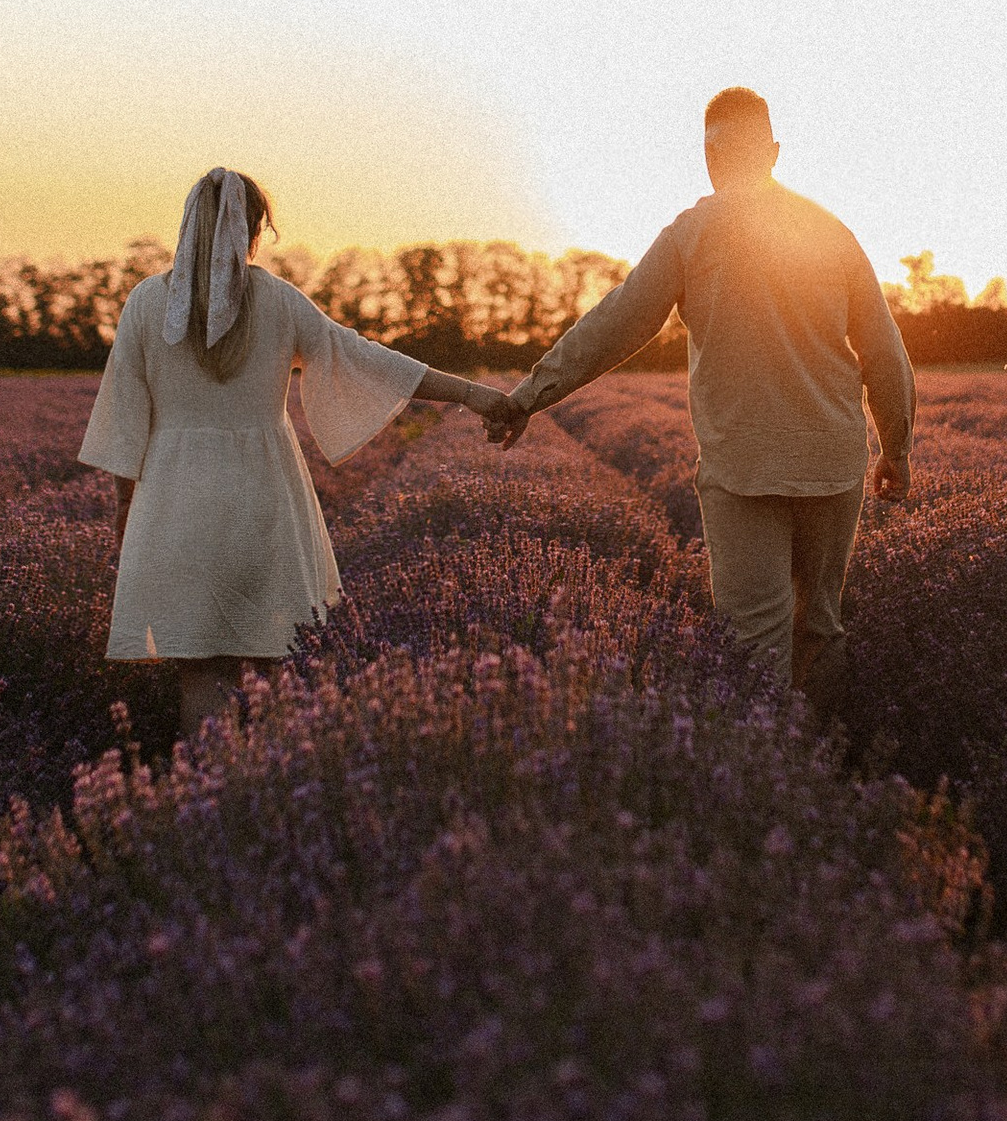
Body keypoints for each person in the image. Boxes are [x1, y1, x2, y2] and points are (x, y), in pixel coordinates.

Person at [489, 87, 914, 698]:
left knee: (754, 639)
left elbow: (617, 325)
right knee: (820, 625)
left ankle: (769, 774)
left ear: (709, 156)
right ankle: (825, 767)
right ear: (773, 151)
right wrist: (896, 447)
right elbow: (884, 349)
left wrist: (530, 394)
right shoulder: (830, 231)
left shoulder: (691, 234)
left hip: (742, 465)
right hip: (832, 464)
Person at [81, 165, 513, 738]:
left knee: (200, 674)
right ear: (255, 230)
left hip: (175, 501)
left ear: (188, 223)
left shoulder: (145, 303)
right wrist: (472, 393)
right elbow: (365, 359)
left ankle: (201, 805)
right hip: (264, 497)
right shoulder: (279, 301)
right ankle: (272, 795)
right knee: (270, 665)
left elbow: (124, 418)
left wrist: (123, 506)